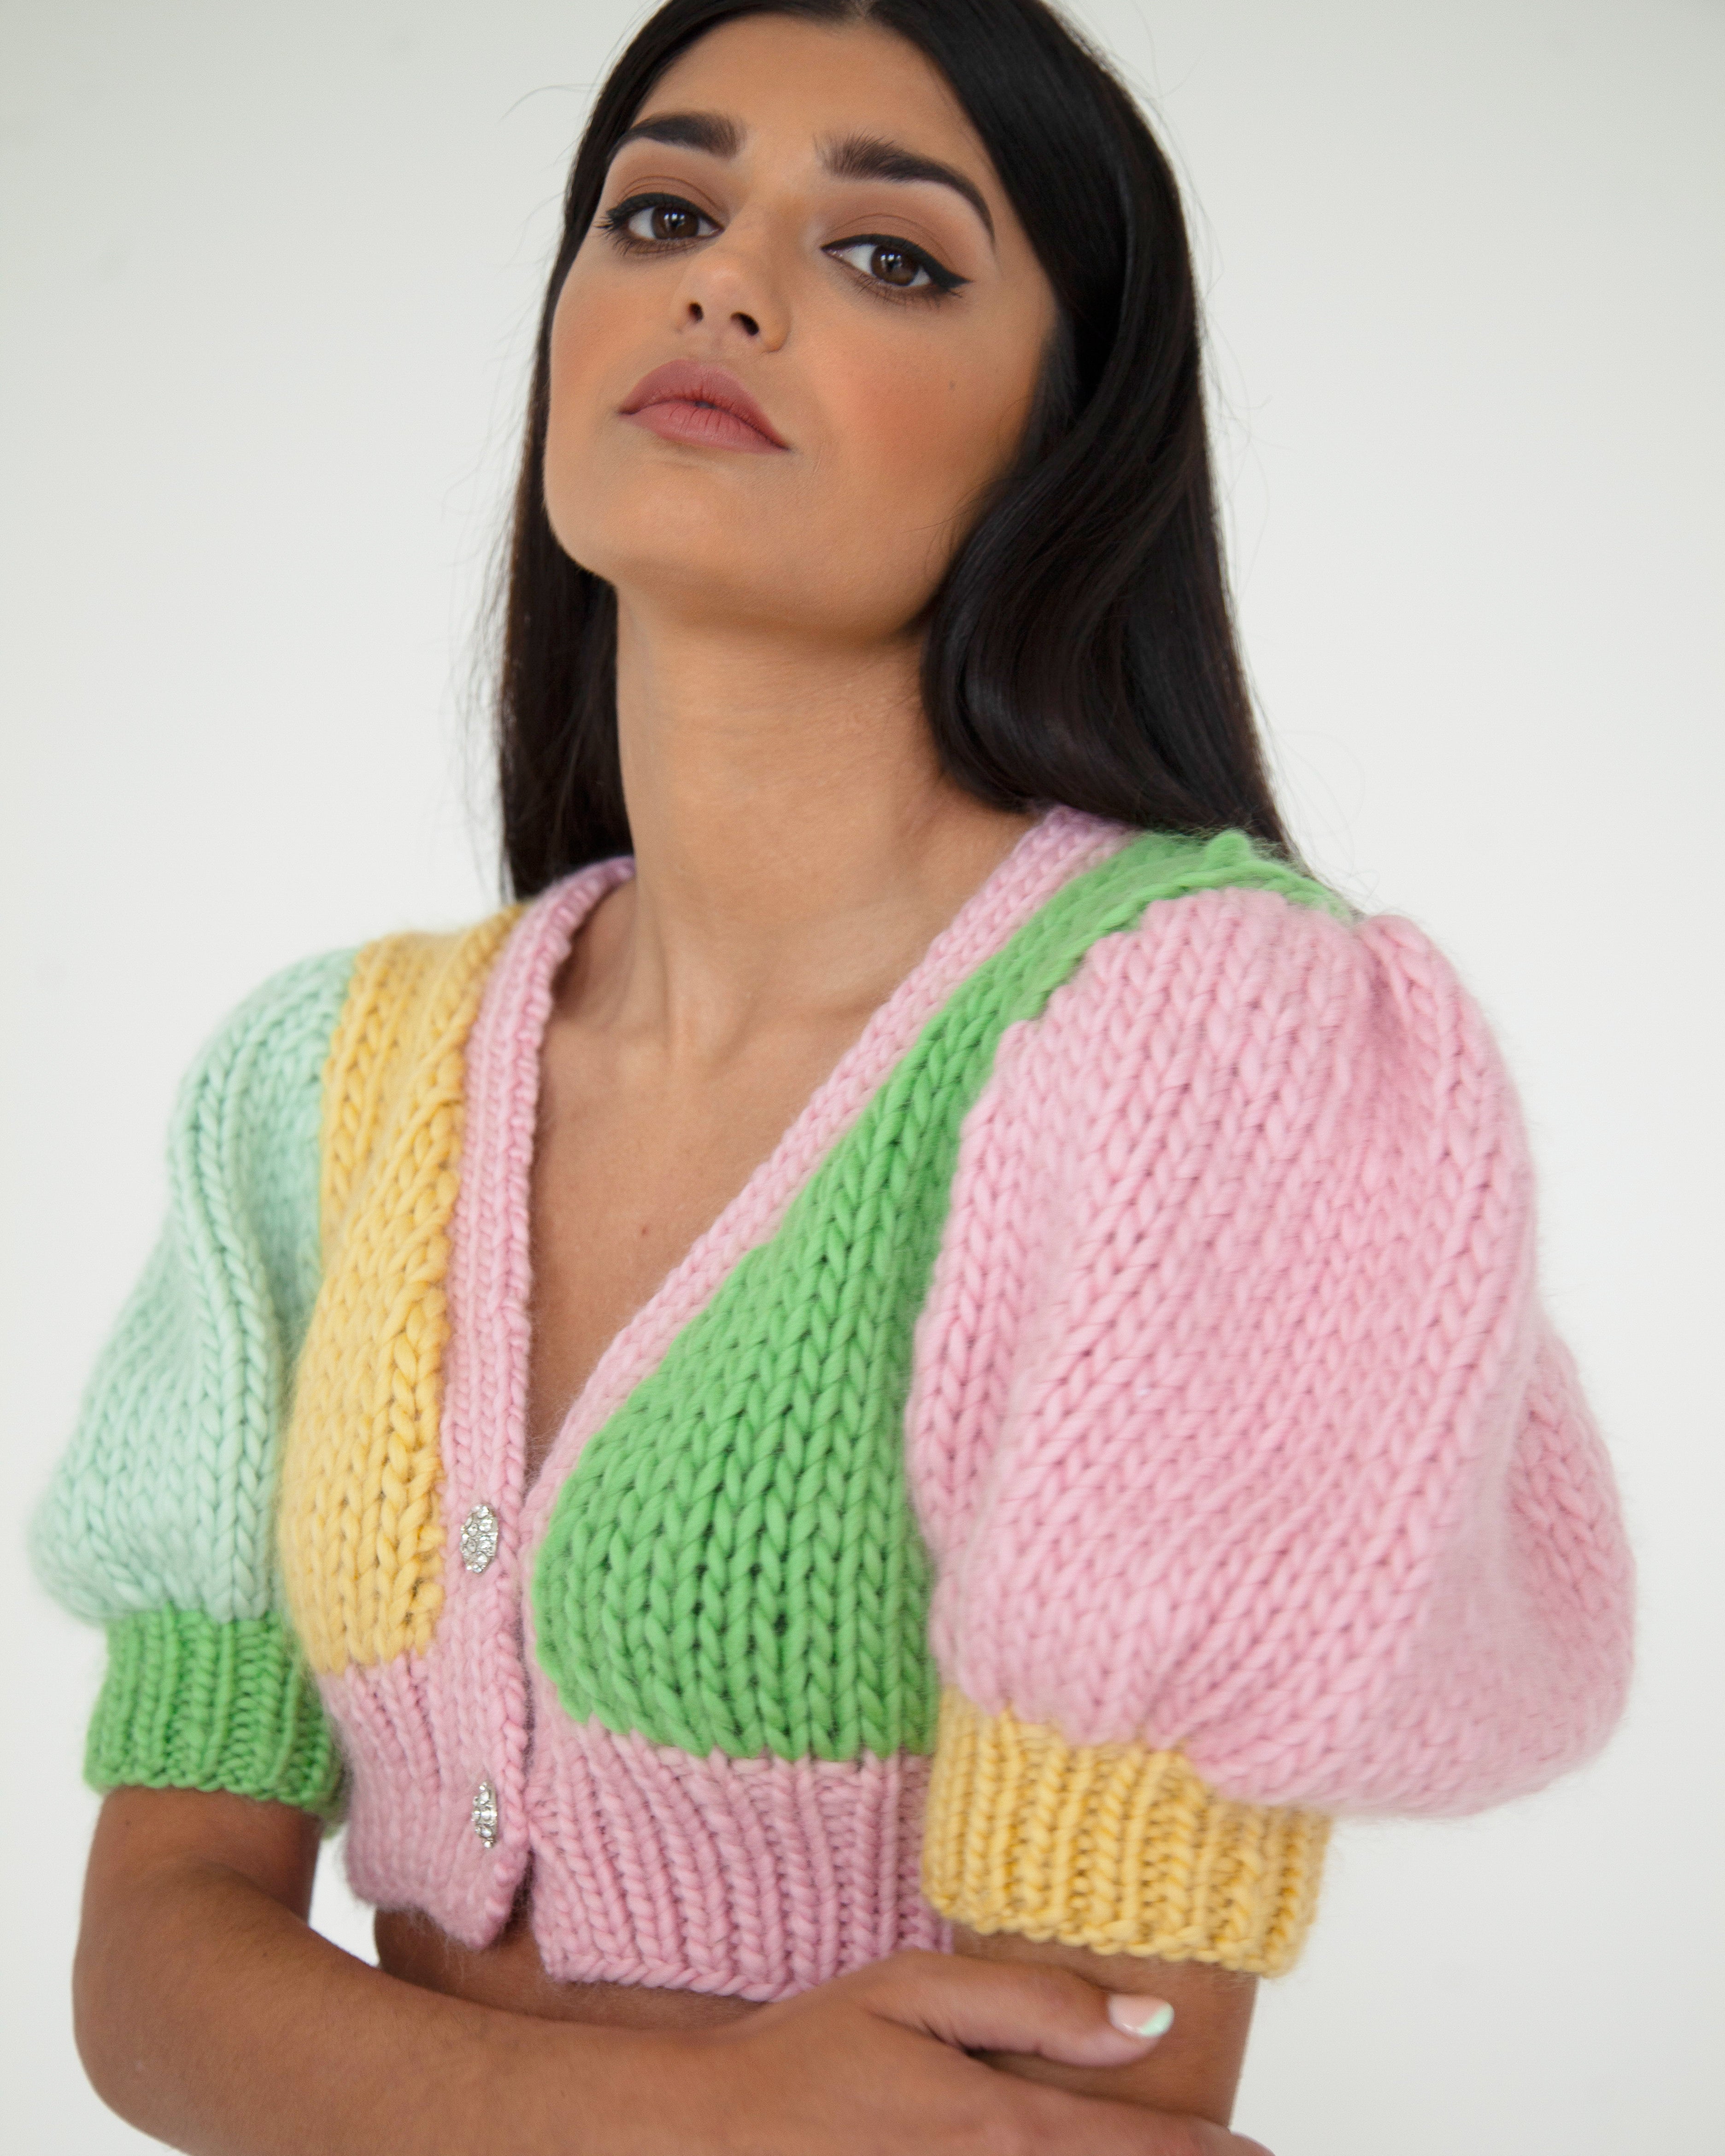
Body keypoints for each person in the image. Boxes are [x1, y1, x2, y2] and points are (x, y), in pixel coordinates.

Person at [29, 2, 1634, 2150]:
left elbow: (1062, 2109)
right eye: (661, 208)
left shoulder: (1198, 1051)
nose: (720, 280)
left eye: (892, 254)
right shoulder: (317, 1085)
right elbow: (143, 1981)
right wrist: (698, 2117)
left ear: (1069, 428)